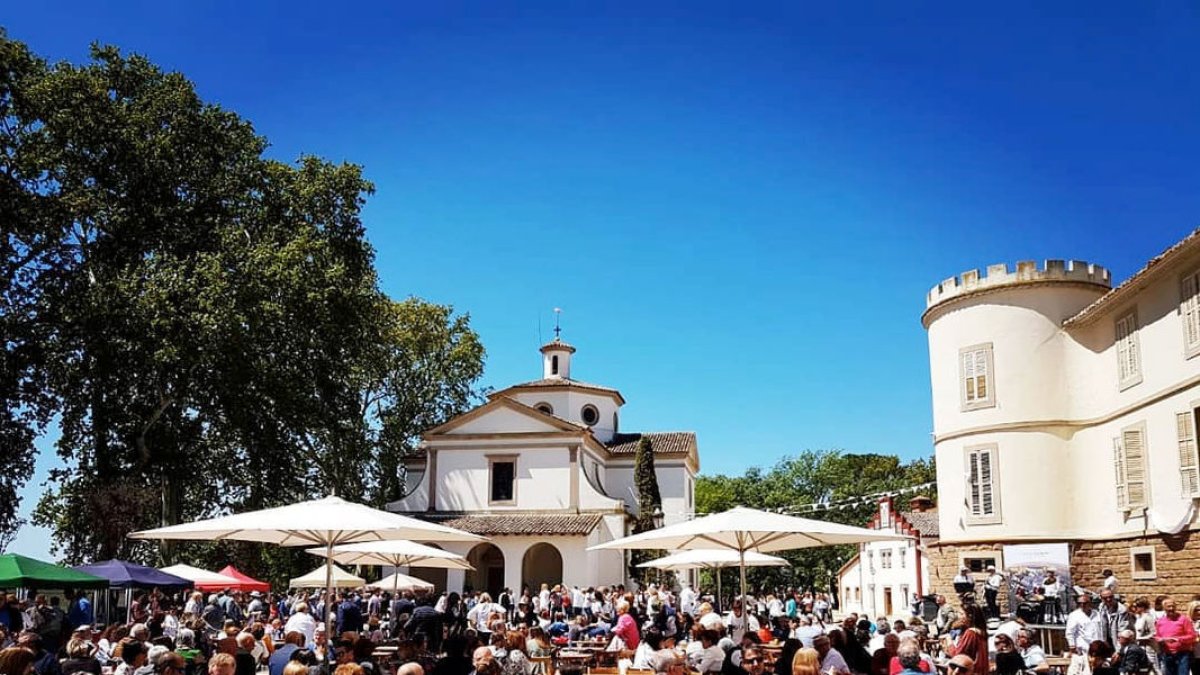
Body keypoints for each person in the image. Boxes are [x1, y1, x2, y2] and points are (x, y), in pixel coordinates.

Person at [1155, 598, 1196, 675]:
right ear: (1164, 608)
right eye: (1169, 606)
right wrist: (1160, 640)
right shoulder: (1160, 621)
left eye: (1173, 606)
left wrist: (1179, 639)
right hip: (1167, 654)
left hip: (1182, 654)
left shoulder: (1184, 619)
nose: (1171, 608)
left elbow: (1192, 636)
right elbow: (1157, 636)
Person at [948, 605, 988, 675]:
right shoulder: (981, 632)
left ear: (970, 617)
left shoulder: (971, 633)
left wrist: (949, 643)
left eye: (961, 614)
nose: (958, 616)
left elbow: (958, 656)